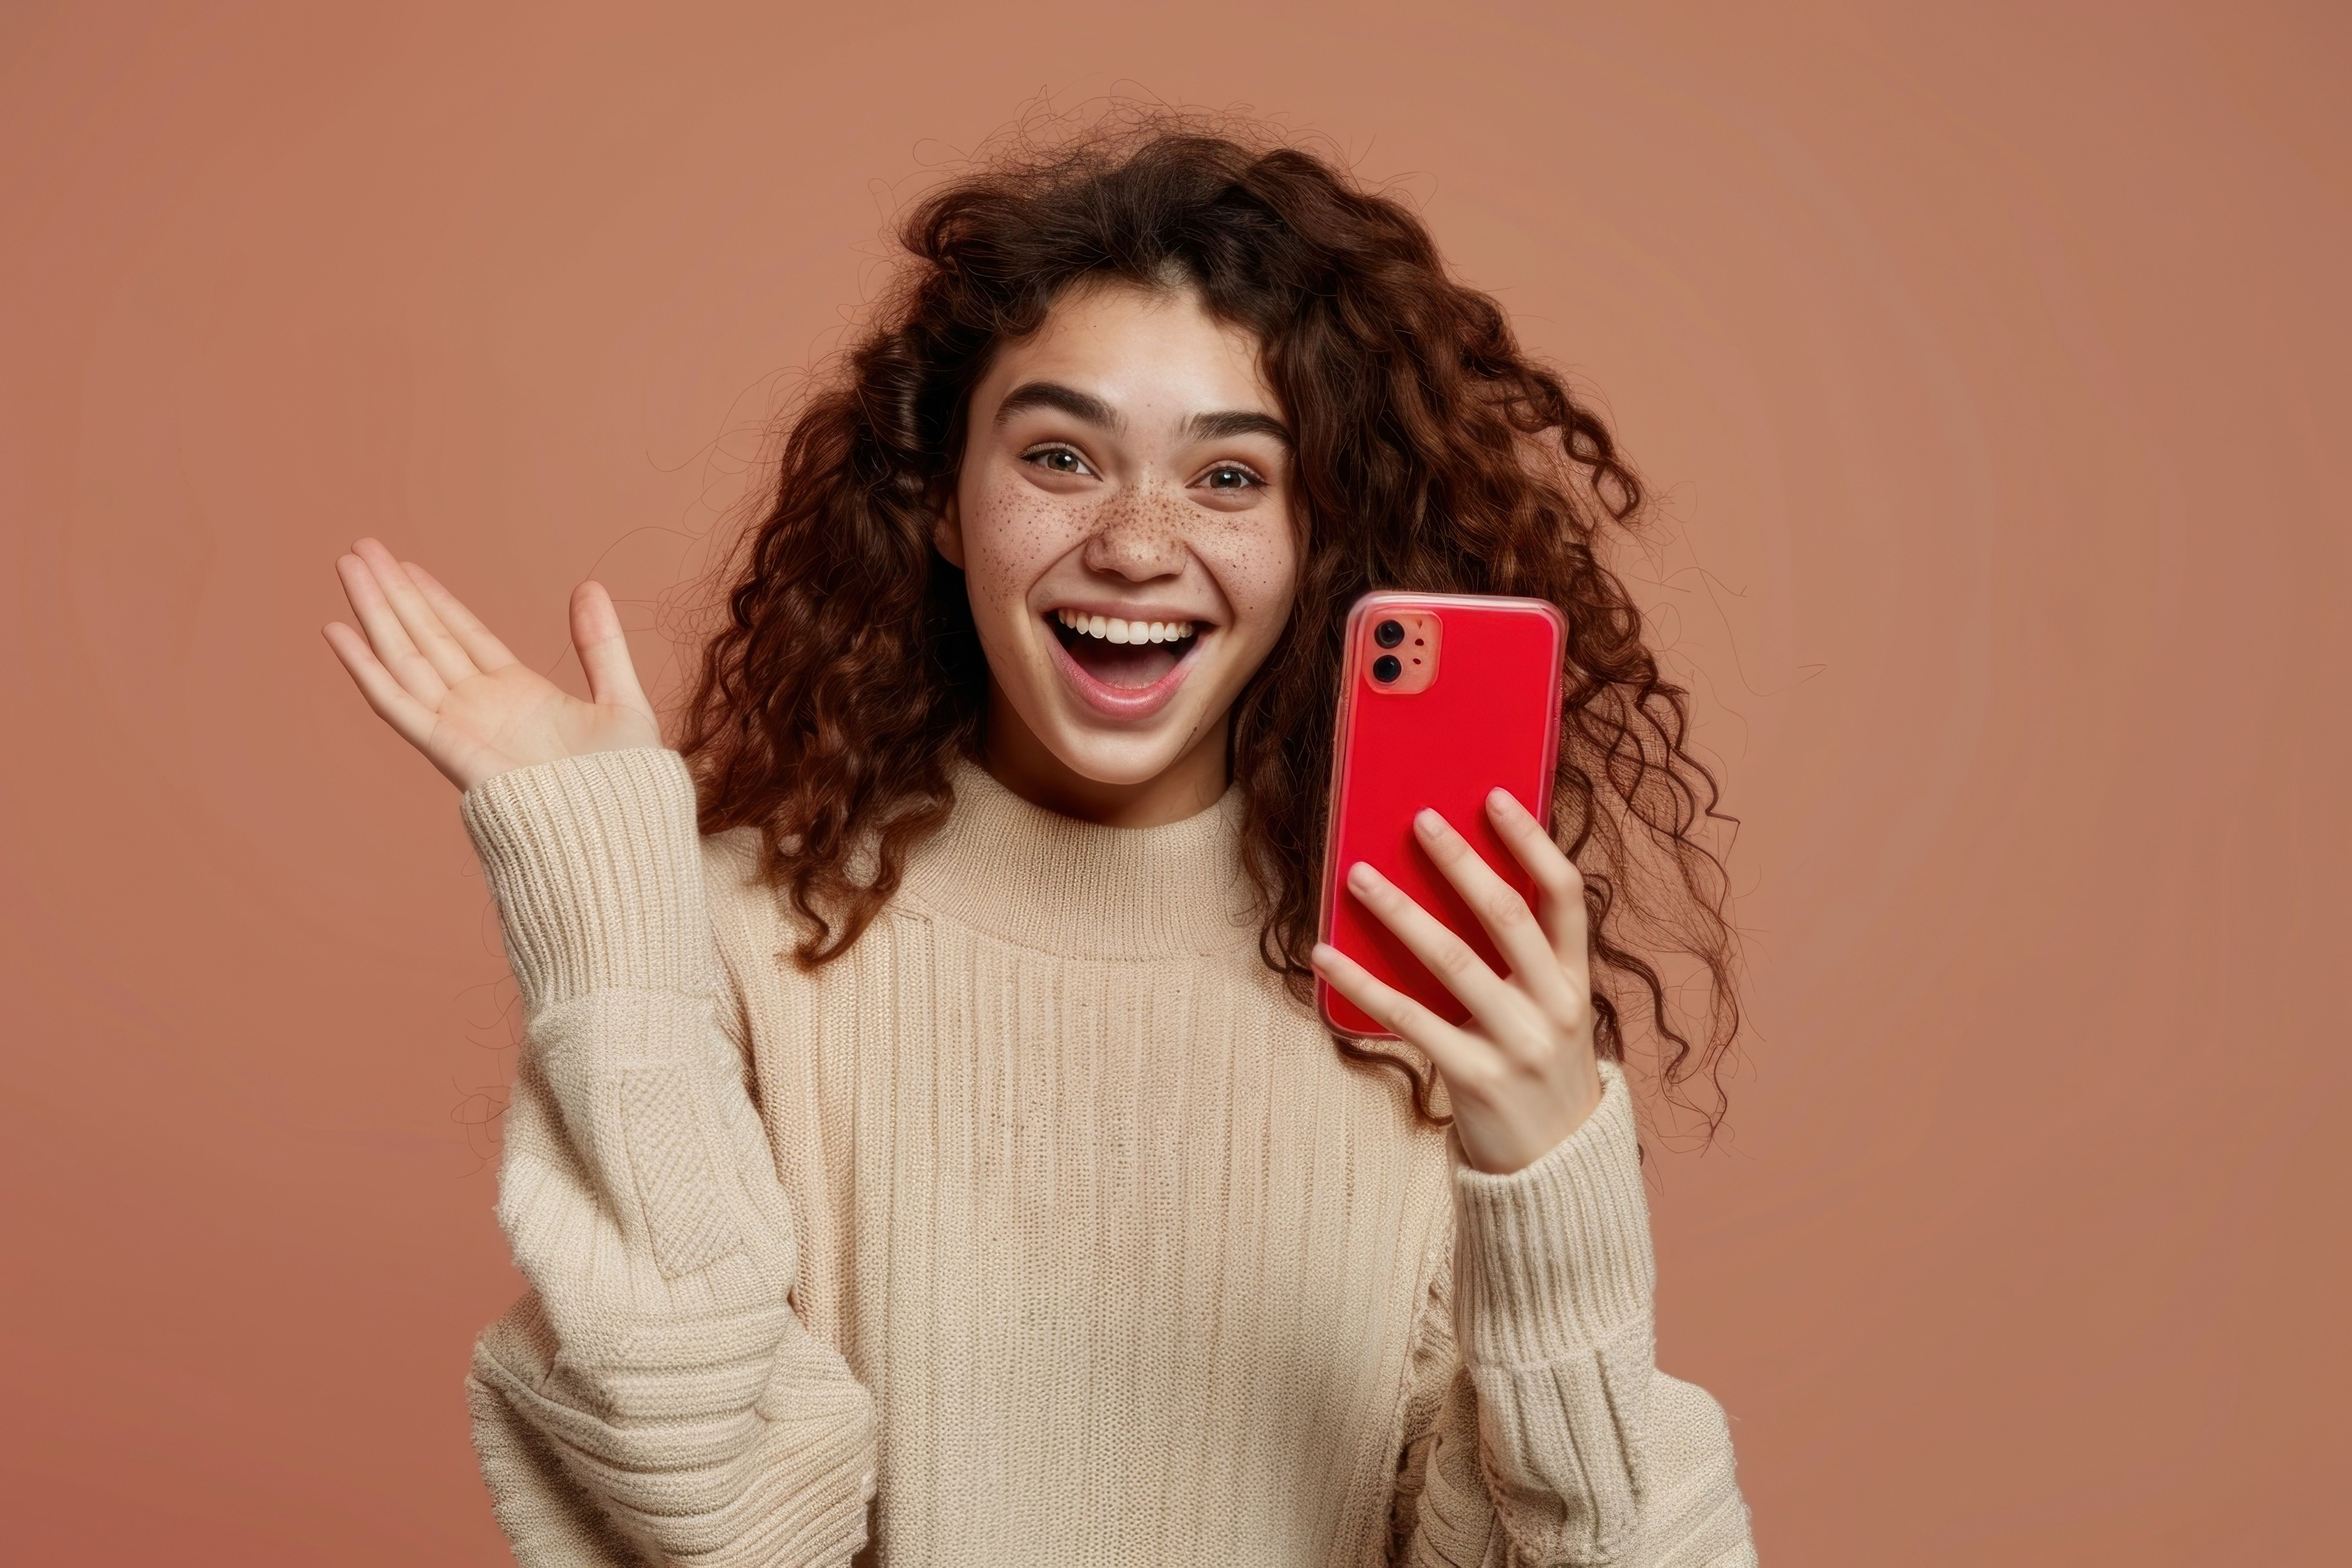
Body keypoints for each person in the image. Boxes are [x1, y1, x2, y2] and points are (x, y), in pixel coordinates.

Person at [325, 118, 1754, 1568]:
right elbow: (715, 1520)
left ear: (1320, 542)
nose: (1138, 542)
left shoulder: (1427, 985)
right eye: (1063, 456)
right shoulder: (736, 931)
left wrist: (1548, 1170)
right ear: (940, 500)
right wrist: (615, 916)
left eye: (1230, 478)